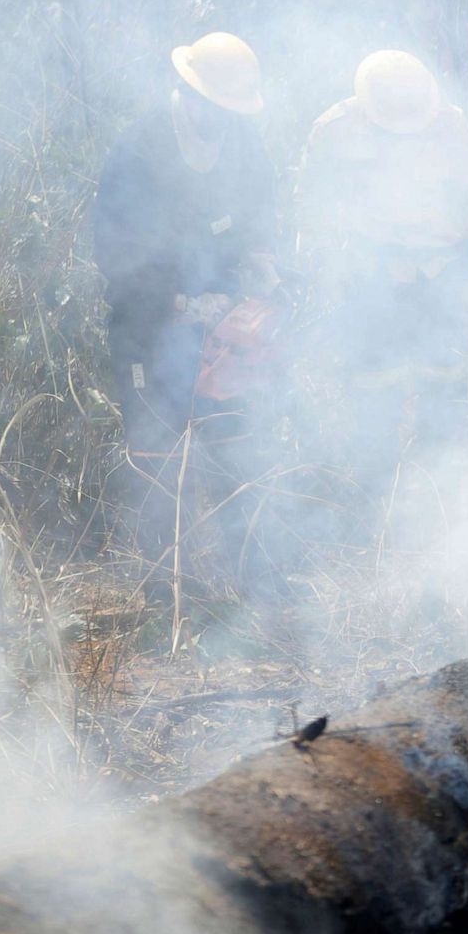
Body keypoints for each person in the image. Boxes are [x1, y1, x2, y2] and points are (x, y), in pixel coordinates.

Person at [93, 31, 278, 601]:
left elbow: (257, 212)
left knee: (234, 441)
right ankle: (166, 592)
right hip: (147, 327)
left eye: (232, 111)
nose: (224, 121)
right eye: (216, 109)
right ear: (188, 94)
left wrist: (261, 263)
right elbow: (115, 249)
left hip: (221, 328)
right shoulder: (139, 150)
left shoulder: (243, 144)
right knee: (155, 451)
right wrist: (174, 303)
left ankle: (250, 581)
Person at [295, 49, 468, 475]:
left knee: (444, 379)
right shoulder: (335, 129)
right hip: (373, 273)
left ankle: (441, 481)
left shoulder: (451, 124)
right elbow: (313, 204)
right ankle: (377, 481)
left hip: (444, 271)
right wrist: (327, 268)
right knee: (374, 380)